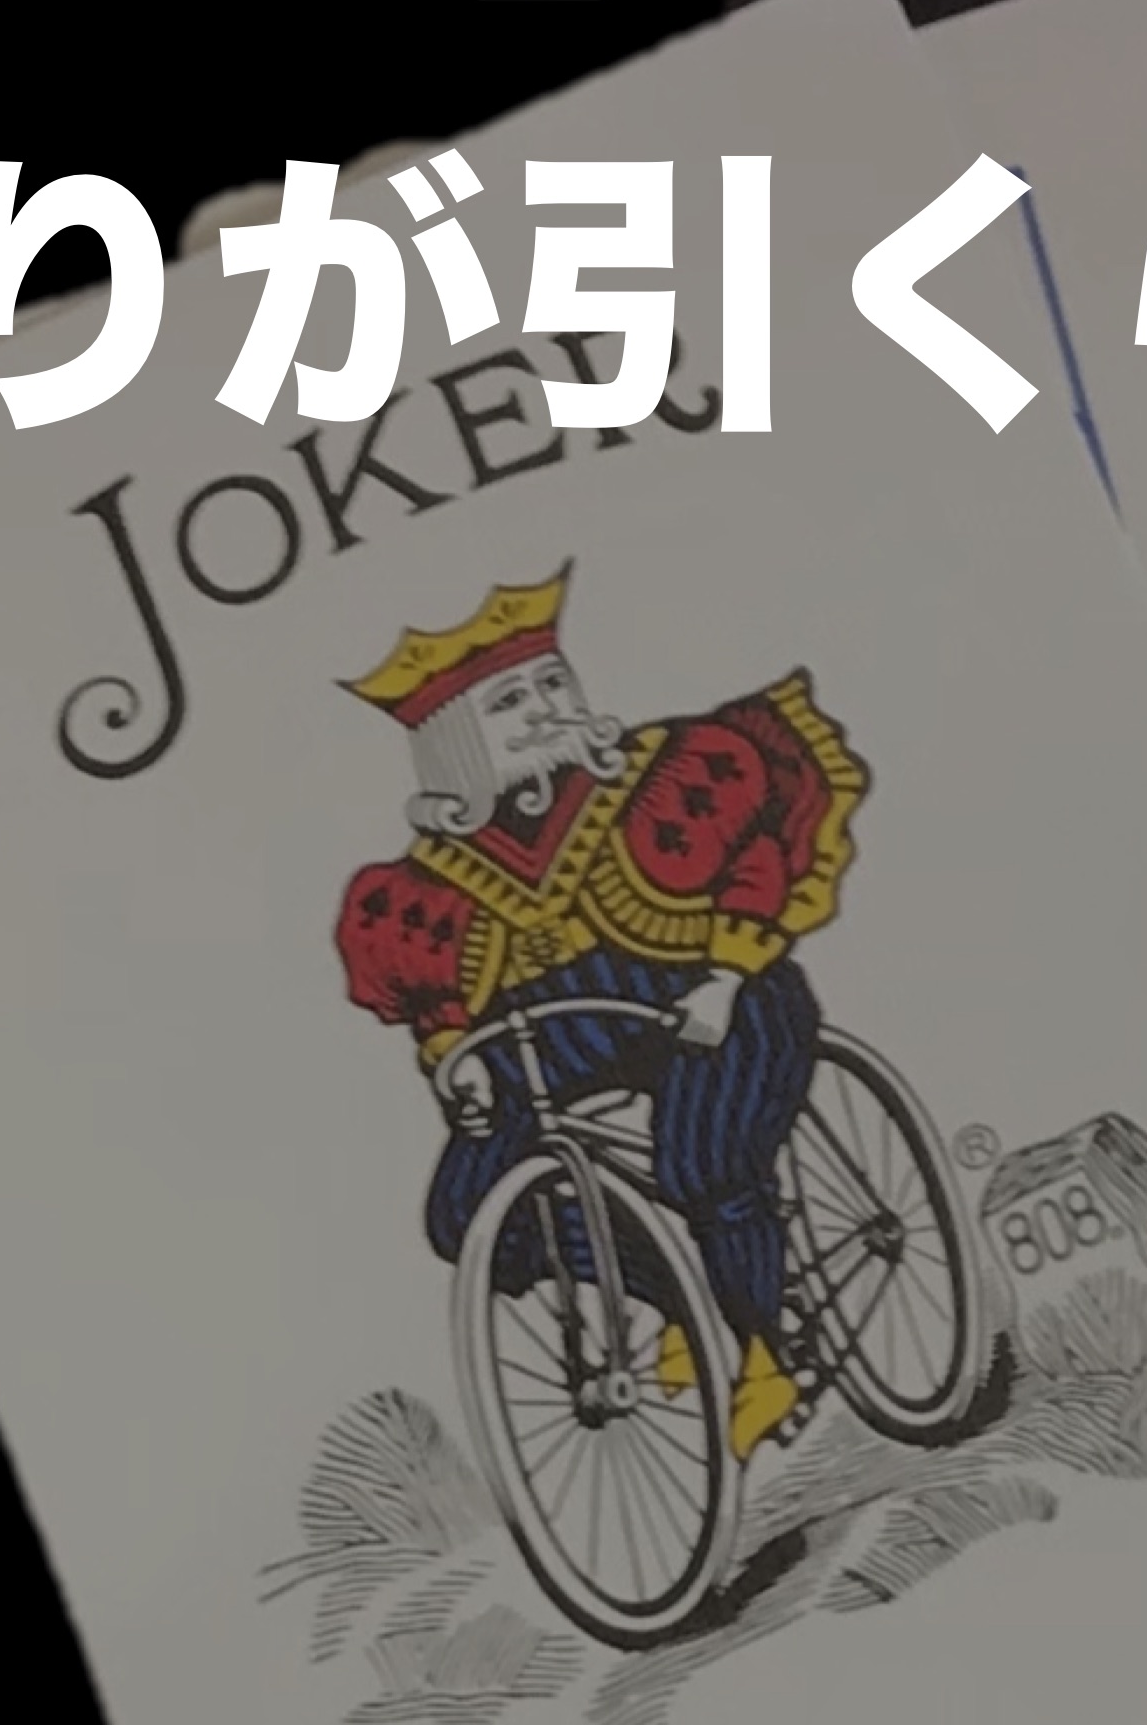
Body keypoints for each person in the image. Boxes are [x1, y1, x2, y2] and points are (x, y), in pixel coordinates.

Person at [321, 575, 875, 1464]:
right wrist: (454, 1055)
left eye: (551, 683)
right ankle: (679, 1296)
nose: (545, 708)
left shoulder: (672, 781)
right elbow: (437, 997)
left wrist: (724, 979)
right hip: (558, 1039)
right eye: (510, 701)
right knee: (467, 1211)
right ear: (457, 743)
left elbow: (756, 863)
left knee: (703, 1164)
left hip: (714, 993)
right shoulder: (426, 884)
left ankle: (766, 1352)